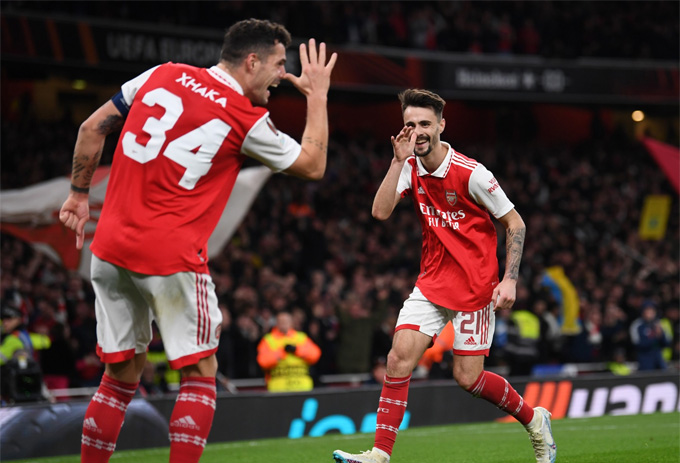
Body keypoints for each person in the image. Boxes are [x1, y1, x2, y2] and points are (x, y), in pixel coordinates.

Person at [59, 18, 336, 463]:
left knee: (119, 377)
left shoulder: (161, 74)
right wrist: (317, 96)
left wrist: (77, 195)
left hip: (109, 249)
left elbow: (92, 128)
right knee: (200, 372)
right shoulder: (245, 117)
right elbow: (312, 165)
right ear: (252, 62)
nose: (283, 75)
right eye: (279, 64)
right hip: (170, 256)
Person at [333, 89, 555, 463]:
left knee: (469, 378)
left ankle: (534, 420)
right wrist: (396, 162)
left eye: (424, 123)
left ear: (441, 125)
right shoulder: (408, 166)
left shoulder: (472, 174)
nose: (417, 131)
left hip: (475, 288)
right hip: (432, 283)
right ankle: (380, 454)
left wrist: (510, 279)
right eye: (410, 124)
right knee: (397, 359)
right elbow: (380, 212)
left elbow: (515, 223)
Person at [256, 311, 321, 392]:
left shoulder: (301, 337)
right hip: (278, 388)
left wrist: (297, 350)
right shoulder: (268, 339)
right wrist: (282, 352)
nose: (283, 324)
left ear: (291, 323)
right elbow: (262, 361)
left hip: (302, 387)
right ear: (276, 323)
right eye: (281, 321)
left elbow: (315, 355)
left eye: (286, 321)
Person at [629, 301, 671, 371]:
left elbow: (667, 343)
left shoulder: (660, 323)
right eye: (648, 310)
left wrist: (661, 334)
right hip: (645, 360)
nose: (650, 313)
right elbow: (638, 344)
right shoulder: (637, 325)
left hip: (659, 358)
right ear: (643, 312)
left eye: (652, 310)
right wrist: (655, 337)